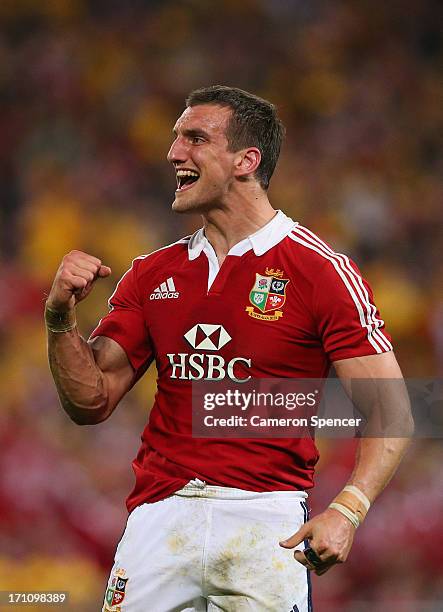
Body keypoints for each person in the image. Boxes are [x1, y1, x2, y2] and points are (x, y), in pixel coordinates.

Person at [45, 86, 412, 612]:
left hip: (265, 521)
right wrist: (59, 318)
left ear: (247, 160)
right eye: (175, 139)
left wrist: (348, 510)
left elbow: (391, 409)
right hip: (159, 516)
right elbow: (90, 401)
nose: (174, 153)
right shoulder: (152, 274)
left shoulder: (320, 271)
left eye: (195, 138)